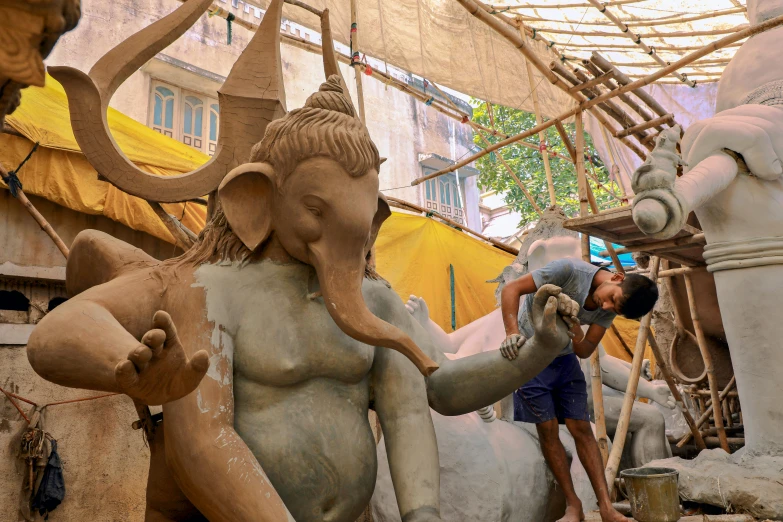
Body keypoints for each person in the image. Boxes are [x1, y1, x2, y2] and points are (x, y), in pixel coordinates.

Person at [499, 258, 658, 522]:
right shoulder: (569, 271)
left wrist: (575, 331)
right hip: (530, 356)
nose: (605, 307)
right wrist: (511, 333)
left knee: (582, 429)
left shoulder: (608, 309)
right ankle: (573, 505)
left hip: (564, 361)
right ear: (617, 278)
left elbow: (584, 350)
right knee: (548, 429)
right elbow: (511, 289)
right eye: (610, 299)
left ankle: (606, 508)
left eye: (613, 309)